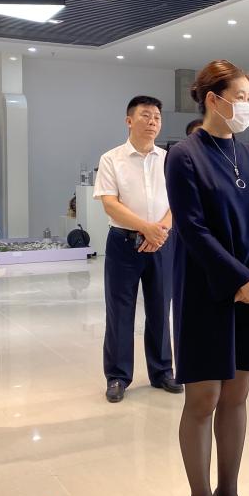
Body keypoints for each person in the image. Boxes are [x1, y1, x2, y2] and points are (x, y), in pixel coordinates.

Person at [166, 59, 249, 496]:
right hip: (206, 289)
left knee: (237, 395)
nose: (248, 106)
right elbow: (192, 229)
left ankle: (228, 491)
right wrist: (238, 278)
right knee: (204, 399)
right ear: (214, 99)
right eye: (242, 97)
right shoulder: (183, 155)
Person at [93, 95, 182, 403]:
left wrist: (160, 231)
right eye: (145, 115)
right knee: (120, 310)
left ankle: (163, 371)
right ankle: (117, 376)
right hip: (124, 243)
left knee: (161, 307)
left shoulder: (170, 159)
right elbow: (110, 203)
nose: (152, 121)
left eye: (157, 117)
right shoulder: (111, 159)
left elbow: (178, 201)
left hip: (163, 242)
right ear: (129, 121)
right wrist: (146, 228)